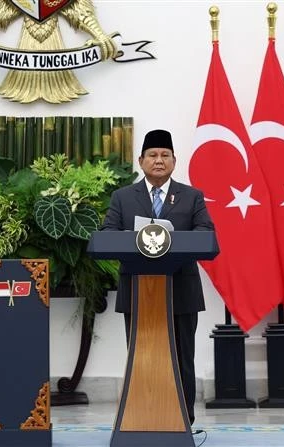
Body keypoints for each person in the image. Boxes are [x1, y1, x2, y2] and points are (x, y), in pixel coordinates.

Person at [101, 129, 215, 425]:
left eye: (165, 155)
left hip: (182, 293)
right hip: (139, 293)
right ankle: (141, 420)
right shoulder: (123, 197)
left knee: (181, 360)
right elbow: (108, 234)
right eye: (153, 155)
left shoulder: (192, 197)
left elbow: (205, 233)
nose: (159, 160)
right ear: (141, 161)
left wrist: (175, 241)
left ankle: (182, 422)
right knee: (141, 359)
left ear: (175, 161)